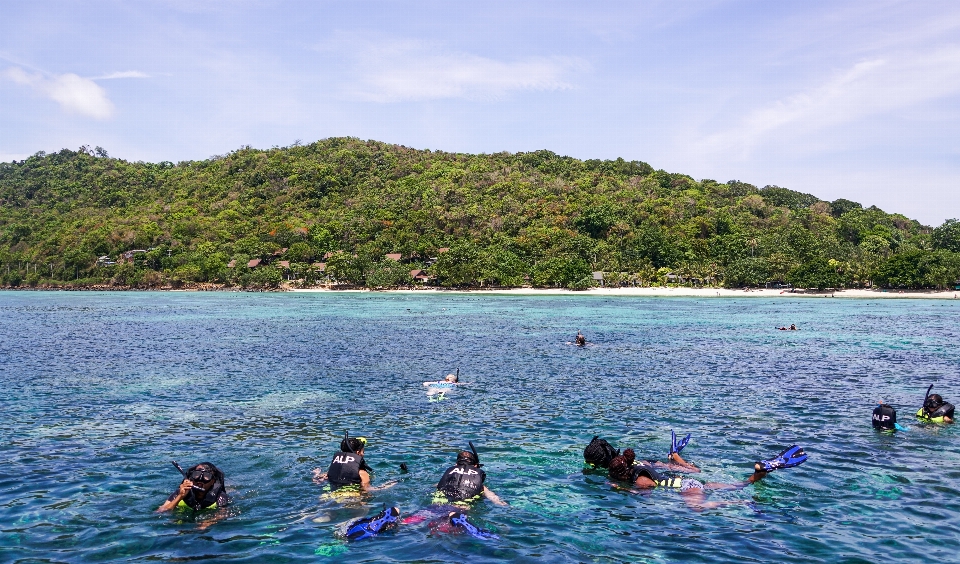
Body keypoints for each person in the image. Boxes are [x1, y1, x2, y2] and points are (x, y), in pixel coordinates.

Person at [608, 445, 808, 511]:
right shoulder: (638, 464)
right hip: (691, 483)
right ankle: (758, 473)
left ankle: (742, 502)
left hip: (687, 488)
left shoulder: (639, 479)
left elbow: (647, 494)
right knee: (739, 484)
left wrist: (623, 489)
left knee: (697, 508)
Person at [312, 434, 396, 496]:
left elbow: (317, 481)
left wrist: (316, 473)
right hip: (351, 498)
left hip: (329, 496)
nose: (363, 454)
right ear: (358, 452)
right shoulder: (362, 473)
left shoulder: (332, 470)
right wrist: (386, 486)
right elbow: (367, 489)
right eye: (363, 451)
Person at [433, 444, 507, 507]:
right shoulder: (481, 484)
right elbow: (491, 496)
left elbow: (439, 485)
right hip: (464, 502)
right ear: (475, 466)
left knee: (436, 506)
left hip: (442, 498)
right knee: (460, 509)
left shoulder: (451, 471)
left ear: (456, 465)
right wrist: (500, 503)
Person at [157, 461, 229, 513]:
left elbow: (222, 514)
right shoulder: (180, 492)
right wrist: (180, 496)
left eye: (207, 476)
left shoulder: (219, 496)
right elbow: (160, 512)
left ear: (213, 481)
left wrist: (207, 522)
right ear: (191, 478)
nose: (200, 479)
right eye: (196, 475)